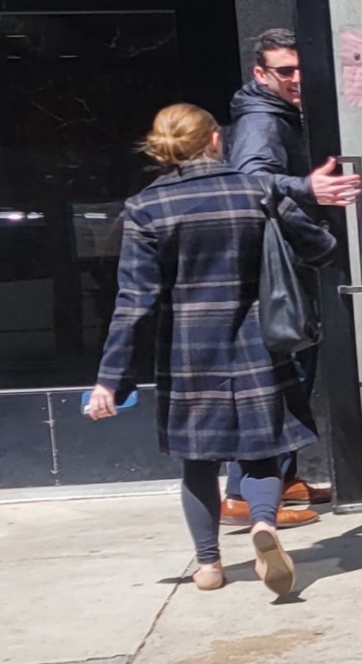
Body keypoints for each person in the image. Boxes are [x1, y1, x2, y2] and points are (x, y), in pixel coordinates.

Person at [87, 104, 337, 596]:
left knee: (197, 462)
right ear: (216, 140)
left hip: (187, 351)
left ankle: (208, 565)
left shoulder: (146, 208)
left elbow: (134, 302)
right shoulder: (256, 190)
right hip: (258, 343)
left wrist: (110, 378)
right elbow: (319, 247)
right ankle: (263, 524)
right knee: (262, 452)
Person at [223, 28, 361, 524]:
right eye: (286, 70)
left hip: (287, 263)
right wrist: (308, 191)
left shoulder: (277, 113)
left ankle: (280, 480)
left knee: (293, 371)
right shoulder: (261, 120)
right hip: (278, 268)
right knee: (283, 375)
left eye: (303, 68)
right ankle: (245, 494)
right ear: (261, 74)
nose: (298, 78)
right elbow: (250, 181)